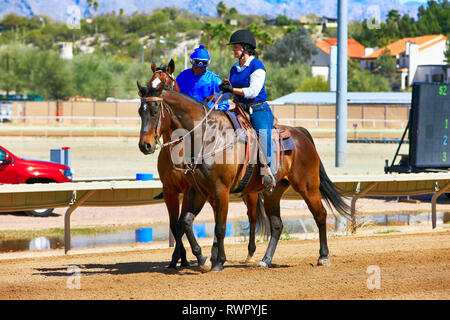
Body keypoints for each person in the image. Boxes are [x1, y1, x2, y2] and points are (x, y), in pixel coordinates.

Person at [219, 29, 275, 188]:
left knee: (263, 136)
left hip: (258, 110)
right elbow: (230, 92)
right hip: (239, 109)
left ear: (245, 48)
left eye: (236, 47)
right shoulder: (234, 68)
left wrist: (232, 90)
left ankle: (268, 173)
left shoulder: (257, 66)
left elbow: (252, 92)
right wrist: (221, 93)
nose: (233, 50)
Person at [176, 45, 229, 111]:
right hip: (185, 115)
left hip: (207, 117)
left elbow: (224, 102)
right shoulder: (182, 76)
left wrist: (217, 113)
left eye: (202, 68)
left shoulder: (214, 79)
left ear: (206, 66)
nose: (198, 70)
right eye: (196, 67)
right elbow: (174, 95)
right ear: (192, 64)